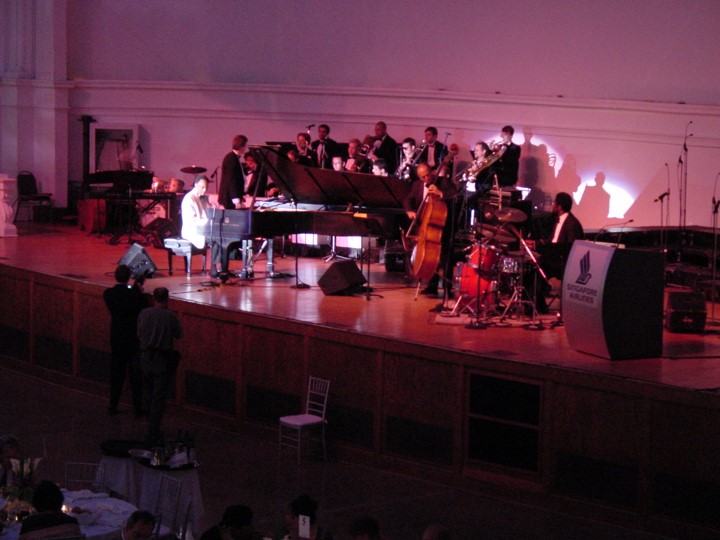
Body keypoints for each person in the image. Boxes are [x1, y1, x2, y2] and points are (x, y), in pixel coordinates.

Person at [403, 163, 460, 300]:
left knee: (446, 258)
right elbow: (407, 199)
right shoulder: (417, 185)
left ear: (432, 171)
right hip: (425, 225)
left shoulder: (444, 182)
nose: (427, 178)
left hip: (443, 226)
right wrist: (409, 211)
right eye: (423, 177)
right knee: (430, 257)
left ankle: (447, 289)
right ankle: (431, 287)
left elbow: (456, 196)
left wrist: (441, 193)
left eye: (428, 174)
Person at [137, 287, 183, 446]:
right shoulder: (170, 316)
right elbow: (179, 334)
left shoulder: (144, 314)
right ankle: (152, 432)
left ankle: (149, 428)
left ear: (153, 298)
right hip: (161, 360)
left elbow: (139, 334)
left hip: (145, 358)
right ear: (167, 299)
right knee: (158, 397)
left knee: (148, 394)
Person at [103, 264, 147, 417]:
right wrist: (138, 290)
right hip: (133, 340)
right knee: (136, 377)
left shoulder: (108, 294)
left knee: (117, 375)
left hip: (117, 340)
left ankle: (113, 405)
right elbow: (142, 305)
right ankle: (137, 409)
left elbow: (121, 295)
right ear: (129, 277)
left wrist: (134, 290)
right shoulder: (134, 295)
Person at [529, 191, 584, 313]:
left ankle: (537, 306)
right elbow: (552, 239)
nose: (552, 206)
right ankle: (538, 305)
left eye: (554, 203)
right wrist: (535, 244)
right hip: (553, 257)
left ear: (559, 206)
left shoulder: (572, 224)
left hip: (562, 262)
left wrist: (548, 249)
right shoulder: (557, 220)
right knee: (532, 266)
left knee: (536, 268)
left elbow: (569, 247)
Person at [181, 175, 222, 277]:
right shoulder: (189, 198)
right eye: (202, 187)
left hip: (203, 229)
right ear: (195, 185)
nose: (205, 190)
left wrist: (215, 208)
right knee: (216, 239)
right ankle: (213, 268)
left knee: (222, 236)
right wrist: (208, 222)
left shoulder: (203, 198)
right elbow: (191, 220)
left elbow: (207, 212)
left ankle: (221, 268)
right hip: (193, 231)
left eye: (206, 187)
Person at [219, 135, 248, 210]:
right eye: (245, 145)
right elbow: (231, 180)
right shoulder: (231, 159)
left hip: (232, 198)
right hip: (229, 199)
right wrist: (236, 200)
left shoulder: (234, 158)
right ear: (241, 146)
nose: (246, 148)